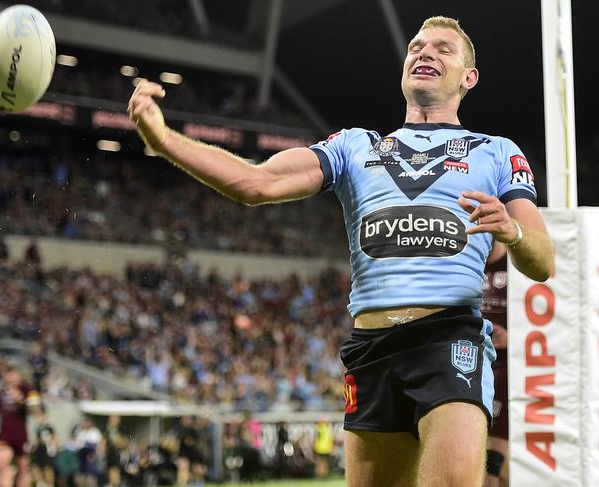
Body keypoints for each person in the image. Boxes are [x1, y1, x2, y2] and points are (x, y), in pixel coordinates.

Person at [127, 15, 554, 487]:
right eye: (417, 46)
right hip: (371, 350)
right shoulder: (354, 146)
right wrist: (163, 141)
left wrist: (512, 232)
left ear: (468, 78)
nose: (425, 53)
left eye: (443, 49)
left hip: (449, 339)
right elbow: (256, 182)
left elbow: (543, 260)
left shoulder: (497, 152)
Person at [482, 243, 509, 487]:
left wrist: (512, 338)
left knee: (498, 445)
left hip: (508, 369)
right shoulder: (471, 262)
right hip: (473, 366)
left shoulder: (516, 265)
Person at [0, 365, 41, 487]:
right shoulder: (0, 393)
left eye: (13, 374)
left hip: (21, 435)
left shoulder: (27, 389)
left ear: (19, 375)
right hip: (4, 434)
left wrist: (20, 400)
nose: (11, 377)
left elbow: (36, 411)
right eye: (8, 374)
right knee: (1, 464)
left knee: (23, 469)